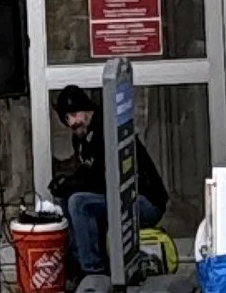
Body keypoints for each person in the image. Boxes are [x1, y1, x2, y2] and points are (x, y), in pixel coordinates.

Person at [49, 82, 168, 277]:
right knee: (68, 199)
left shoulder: (108, 130)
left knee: (79, 203)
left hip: (144, 201)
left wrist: (73, 185)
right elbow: (88, 171)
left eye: (76, 114)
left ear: (88, 110)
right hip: (120, 198)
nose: (73, 122)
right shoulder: (82, 136)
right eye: (67, 117)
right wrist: (66, 182)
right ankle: (78, 263)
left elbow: (105, 179)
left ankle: (93, 271)